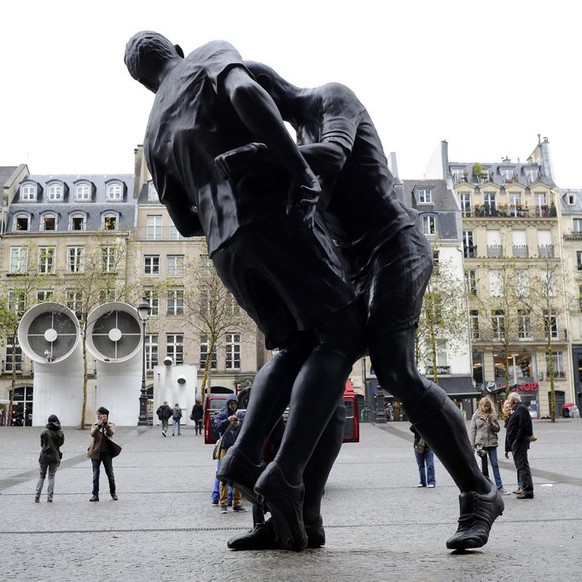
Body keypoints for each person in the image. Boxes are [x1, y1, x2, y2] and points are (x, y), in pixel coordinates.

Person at [215, 61, 503, 551]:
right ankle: (302, 515)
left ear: (268, 94)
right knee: (321, 368)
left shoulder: (331, 98)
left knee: (396, 372)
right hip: (355, 262)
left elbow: (329, 156)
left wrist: (262, 156)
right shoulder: (293, 139)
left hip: (396, 245)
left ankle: (480, 492)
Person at [125, 32, 364, 551]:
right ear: (175, 48)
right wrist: (298, 168)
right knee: (342, 335)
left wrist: (211, 194)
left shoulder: (154, 130)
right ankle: (280, 473)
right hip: (270, 216)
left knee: (299, 347)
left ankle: (251, 465)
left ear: (143, 80)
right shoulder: (208, 56)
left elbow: (185, 221)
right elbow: (247, 96)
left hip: (225, 247)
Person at [213, 395, 247, 514]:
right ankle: (223, 503)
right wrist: (227, 420)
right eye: (231, 403)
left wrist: (239, 424)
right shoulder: (222, 414)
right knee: (224, 475)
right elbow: (215, 427)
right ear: (227, 404)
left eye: (235, 403)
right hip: (225, 448)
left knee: (237, 476)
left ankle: (237, 503)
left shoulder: (241, 415)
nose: (233, 405)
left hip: (237, 448)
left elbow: (248, 426)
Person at [470, 397, 509, 495]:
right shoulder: (476, 416)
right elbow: (472, 431)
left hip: (492, 443)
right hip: (481, 444)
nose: (486, 408)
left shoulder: (493, 415)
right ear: (481, 405)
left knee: (495, 465)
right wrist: (472, 446)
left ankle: (500, 487)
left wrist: (491, 423)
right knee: (484, 467)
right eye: (484, 406)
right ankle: (486, 488)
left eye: (488, 406)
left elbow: (497, 429)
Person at [504, 392, 534, 499]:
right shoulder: (516, 409)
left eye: (508, 400)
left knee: (522, 466)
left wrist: (517, 439)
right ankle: (525, 488)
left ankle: (528, 490)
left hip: (520, 442)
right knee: (520, 466)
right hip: (516, 442)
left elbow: (524, 425)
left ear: (512, 400)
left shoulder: (521, 408)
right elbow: (510, 425)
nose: (507, 402)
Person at [87, 407, 119, 501]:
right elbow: (93, 434)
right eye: (98, 414)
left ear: (106, 416)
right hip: (95, 452)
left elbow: (111, 433)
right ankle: (95, 495)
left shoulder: (111, 425)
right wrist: (99, 426)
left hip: (107, 453)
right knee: (95, 475)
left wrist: (105, 425)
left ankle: (113, 493)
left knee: (110, 474)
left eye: (100, 414)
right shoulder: (95, 425)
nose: (99, 416)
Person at [35, 414, 64, 503]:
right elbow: (61, 443)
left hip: (44, 456)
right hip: (55, 457)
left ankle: (37, 495)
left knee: (41, 476)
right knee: (51, 476)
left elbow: (42, 444)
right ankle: (50, 497)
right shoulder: (60, 433)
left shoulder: (44, 433)